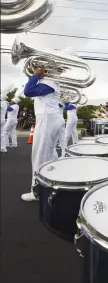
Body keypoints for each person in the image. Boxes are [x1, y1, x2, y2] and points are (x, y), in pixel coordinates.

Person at [21, 67, 64, 201]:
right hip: (51, 118)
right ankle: (52, 184)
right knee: (50, 154)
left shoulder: (49, 82)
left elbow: (28, 91)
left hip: (47, 119)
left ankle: (37, 191)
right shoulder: (52, 82)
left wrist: (35, 76)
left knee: (39, 154)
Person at [0, 86, 11, 153]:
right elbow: (9, 109)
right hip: (3, 119)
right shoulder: (5, 103)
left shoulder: (1, 103)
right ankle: (3, 148)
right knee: (2, 134)